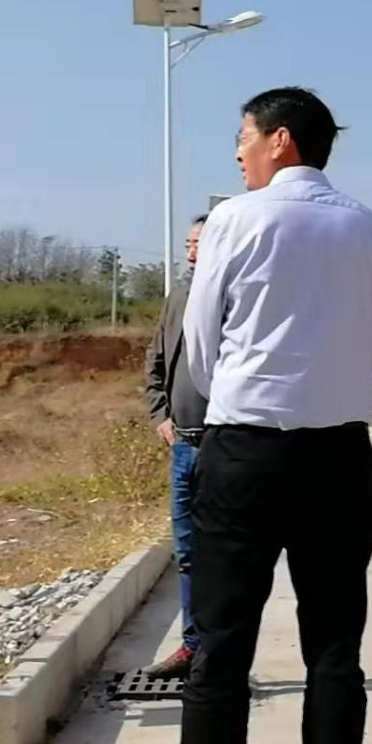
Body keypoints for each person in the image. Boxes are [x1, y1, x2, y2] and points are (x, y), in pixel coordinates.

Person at [163, 87, 372, 744]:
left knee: (221, 646)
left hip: (245, 453)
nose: (239, 150)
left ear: (282, 139)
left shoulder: (235, 219)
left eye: (244, 135)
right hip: (339, 456)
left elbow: (201, 345)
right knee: (334, 649)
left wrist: (245, 395)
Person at [144, 215, 210, 679]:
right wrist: (159, 415)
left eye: (199, 244)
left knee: (226, 555)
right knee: (187, 552)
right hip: (183, 444)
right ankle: (192, 646)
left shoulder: (239, 297)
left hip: (227, 446)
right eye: (188, 244)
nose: (190, 252)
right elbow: (155, 360)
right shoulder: (179, 297)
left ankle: (220, 651)